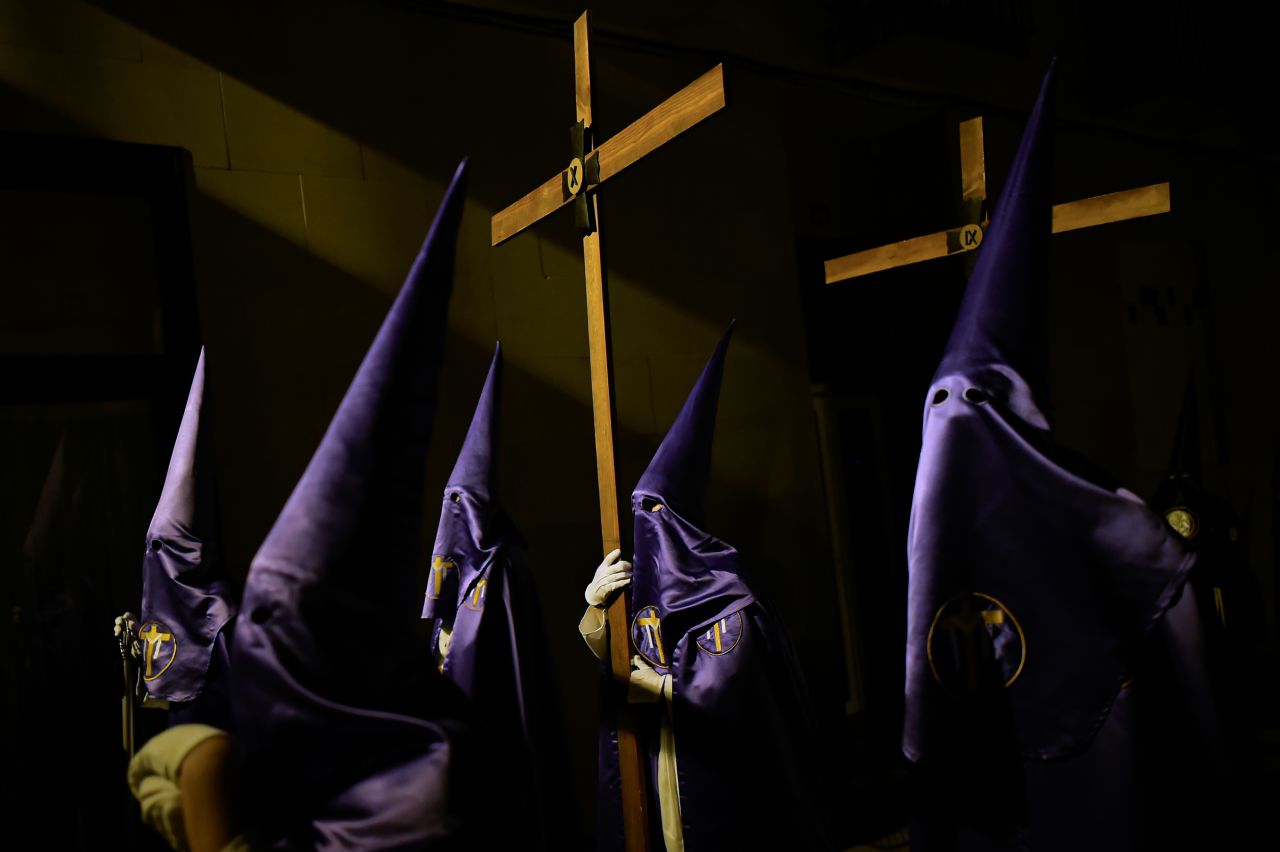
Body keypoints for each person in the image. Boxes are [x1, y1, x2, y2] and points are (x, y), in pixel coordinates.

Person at [581, 324, 834, 852]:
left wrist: (647, 685)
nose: (644, 524)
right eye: (639, 512)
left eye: (654, 511)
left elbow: (725, 694)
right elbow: (626, 652)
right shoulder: (646, 586)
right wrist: (598, 610)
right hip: (662, 758)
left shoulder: (729, 588)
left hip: (716, 769)